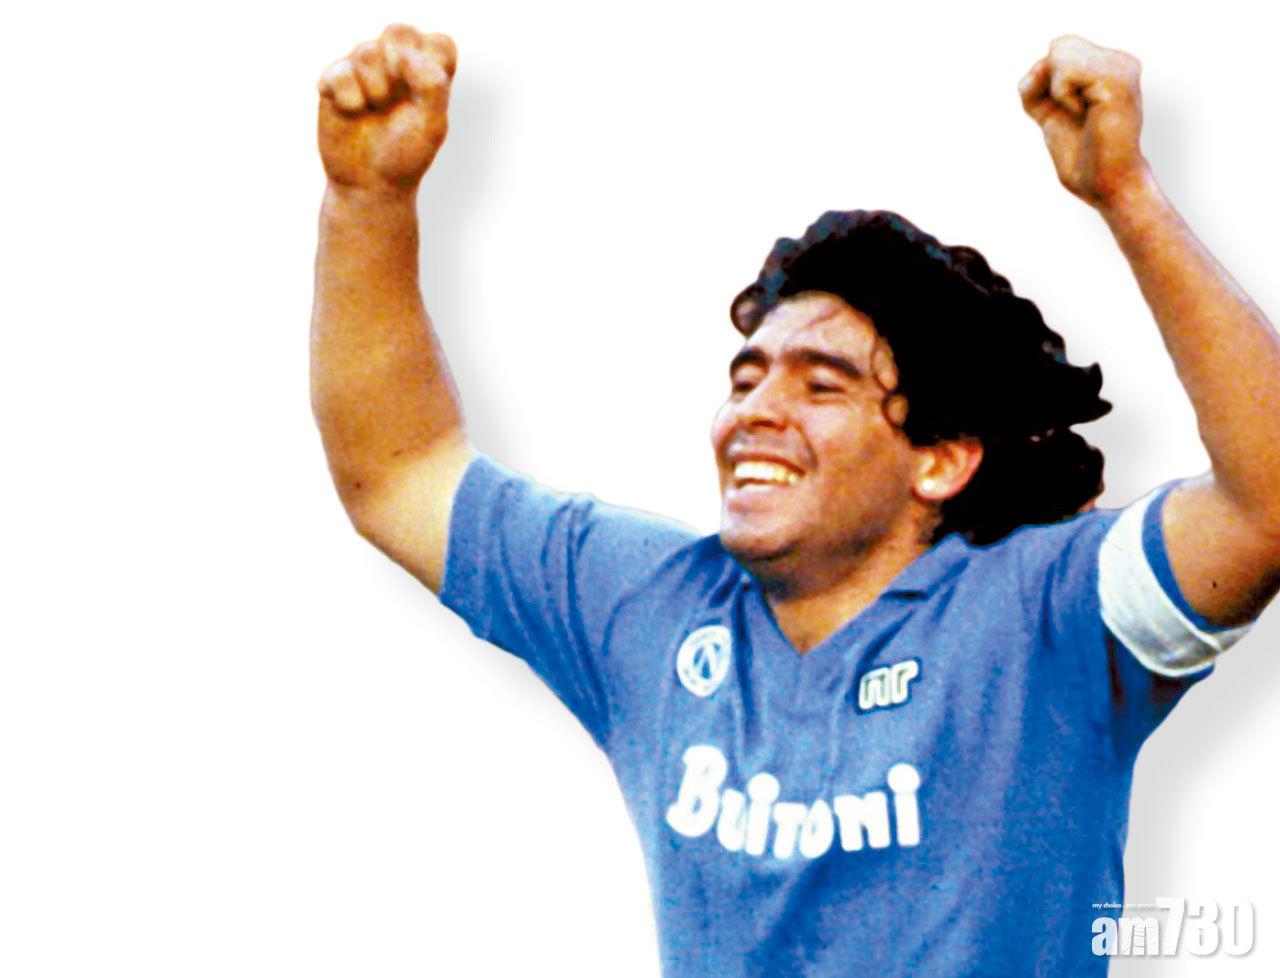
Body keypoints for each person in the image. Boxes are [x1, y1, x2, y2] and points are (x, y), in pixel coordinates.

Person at [310, 25, 1280, 976]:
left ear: (939, 460)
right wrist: (367, 198)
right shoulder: (651, 606)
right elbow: (398, 473)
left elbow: (1264, 508)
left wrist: (1126, 195)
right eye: (745, 378)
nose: (754, 413)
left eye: (820, 386)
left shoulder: (1046, 617)